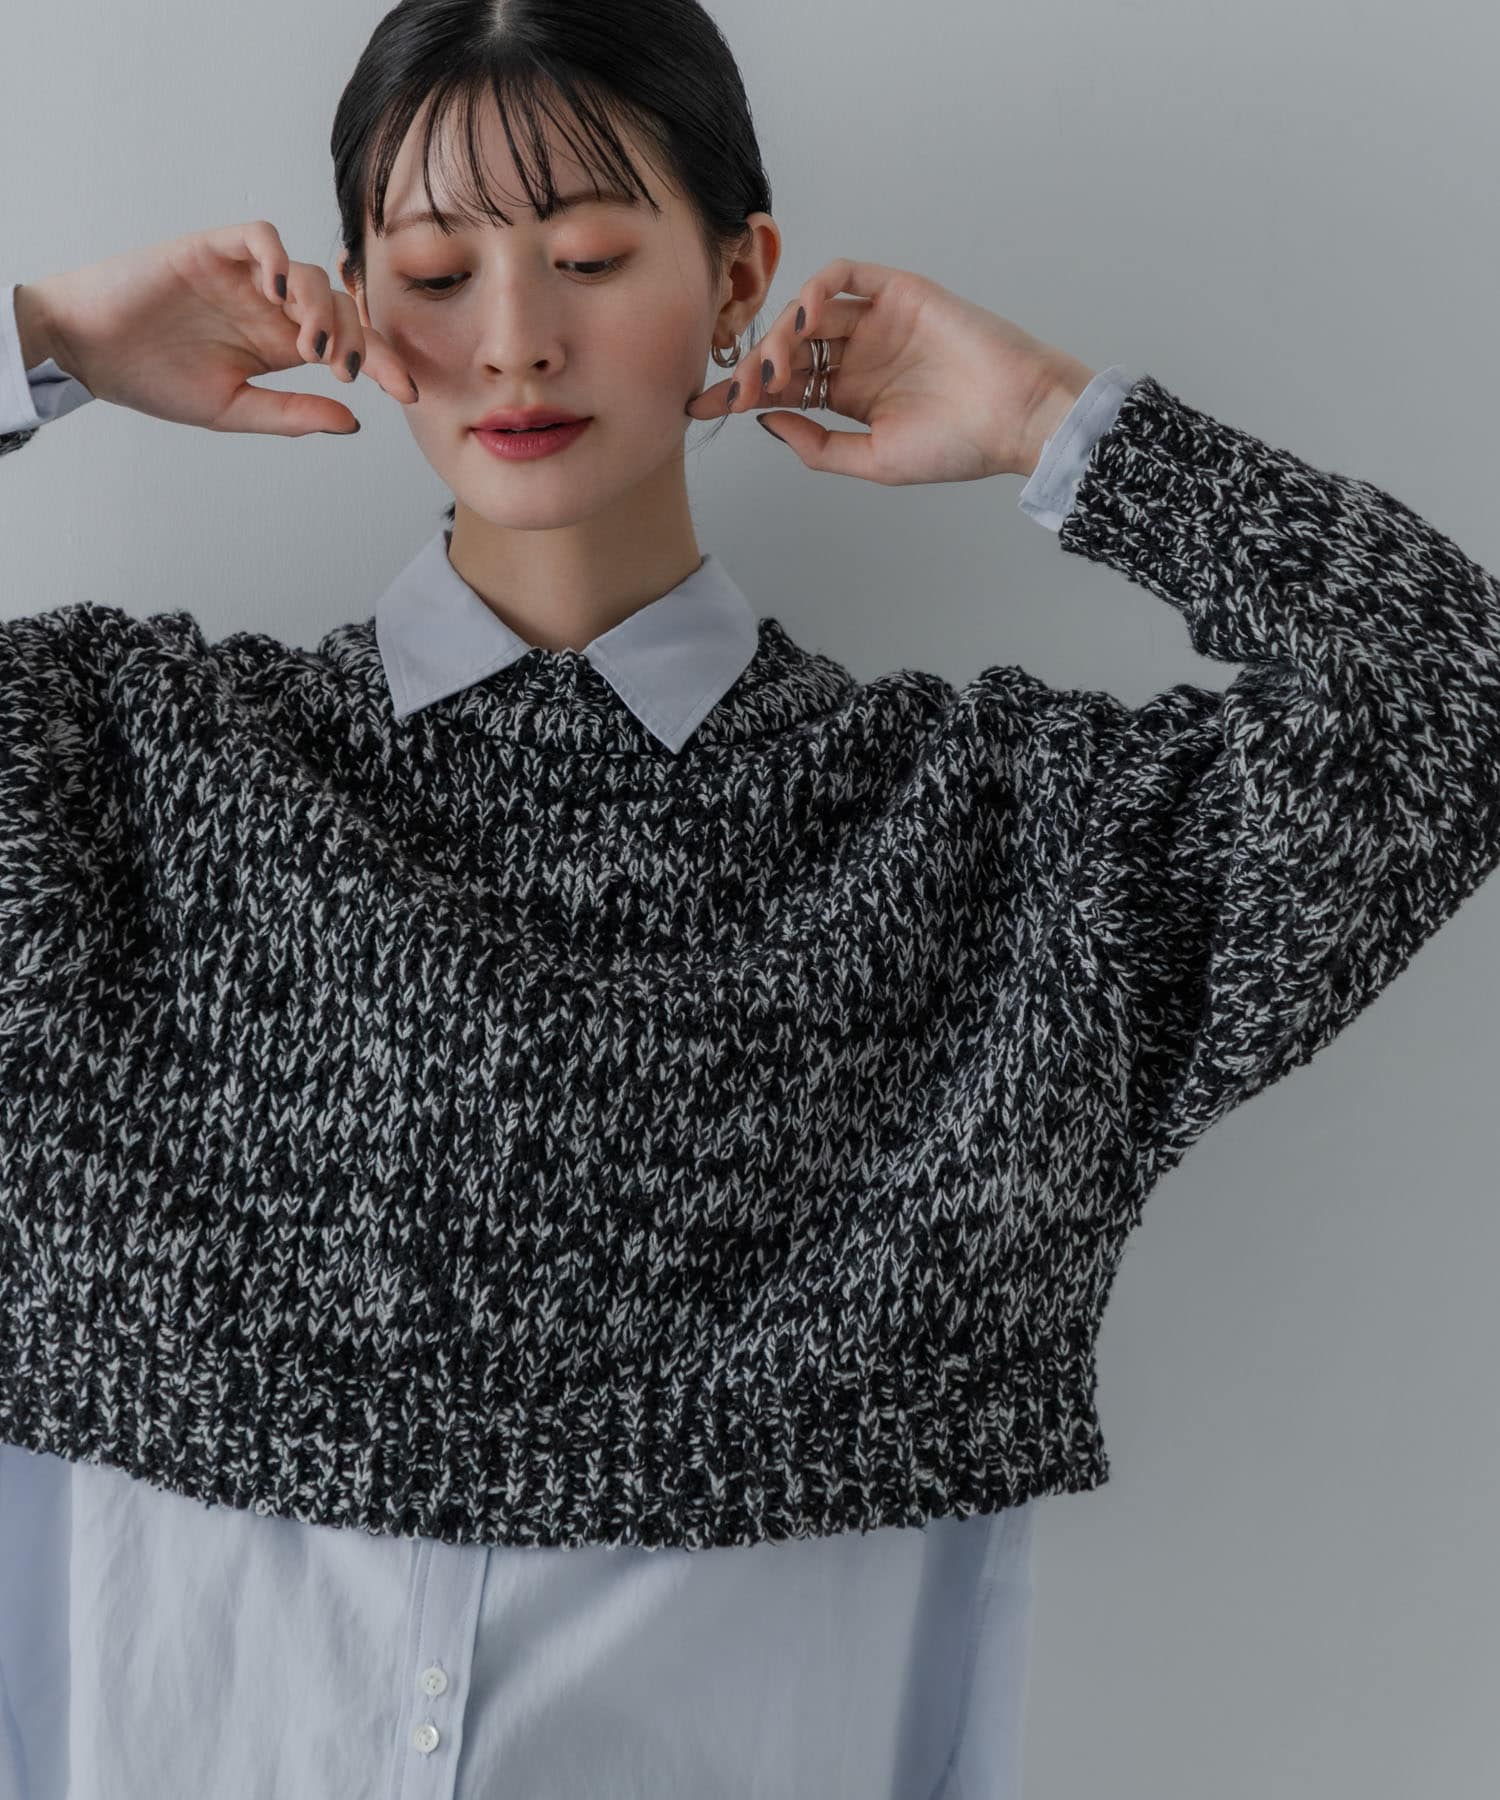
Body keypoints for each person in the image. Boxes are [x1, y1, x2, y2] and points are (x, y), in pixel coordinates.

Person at [3, 3, 1498, 1798]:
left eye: (587, 257)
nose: (515, 339)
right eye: (436, 272)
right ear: (359, 304)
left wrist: (1052, 421)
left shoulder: (996, 852)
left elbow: (1446, 702)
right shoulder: (111, 778)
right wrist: (43, 341)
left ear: (738, 277)